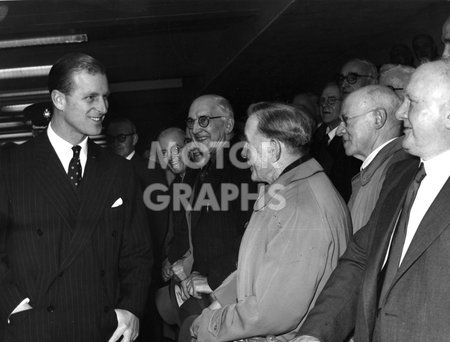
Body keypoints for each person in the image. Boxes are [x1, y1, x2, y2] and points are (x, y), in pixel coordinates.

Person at [292, 58, 450, 342]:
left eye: (412, 103)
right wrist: (315, 334)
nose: (400, 113)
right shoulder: (401, 174)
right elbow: (362, 258)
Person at [0, 53, 153, 342]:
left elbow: (138, 252)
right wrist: (14, 307)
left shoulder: (119, 170)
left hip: (104, 328)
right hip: (32, 329)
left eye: (105, 97)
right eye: (91, 98)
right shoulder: (10, 166)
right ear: (59, 99)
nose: (103, 108)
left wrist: (131, 308)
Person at [188, 102, 350, 342]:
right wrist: (221, 301)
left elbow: (272, 312)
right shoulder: (284, 190)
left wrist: (208, 325)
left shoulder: (299, 208)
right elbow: (257, 267)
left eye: (249, 146)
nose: (242, 154)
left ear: (273, 150)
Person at [172, 95, 255, 324]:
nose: (195, 129)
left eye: (204, 120)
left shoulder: (246, 166)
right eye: (191, 122)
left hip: (231, 292)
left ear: (228, 125)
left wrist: (213, 279)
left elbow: (252, 237)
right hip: (200, 291)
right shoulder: (197, 167)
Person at [337, 85, 407, 233]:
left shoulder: (395, 174)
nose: (339, 130)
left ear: (378, 118)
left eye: (346, 120)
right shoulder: (380, 170)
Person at [310, 82, 361, 202]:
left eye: (331, 100)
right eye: (322, 100)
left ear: (344, 104)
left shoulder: (351, 140)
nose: (325, 105)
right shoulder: (315, 136)